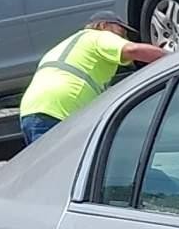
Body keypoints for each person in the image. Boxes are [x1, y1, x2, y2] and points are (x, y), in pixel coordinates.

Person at [18, 15, 167, 144]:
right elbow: (133, 50)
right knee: (62, 171)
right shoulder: (98, 36)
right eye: (121, 32)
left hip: (31, 110)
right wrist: (173, 57)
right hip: (59, 110)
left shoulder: (66, 46)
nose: (124, 38)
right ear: (103, 25)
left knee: (50, 171)